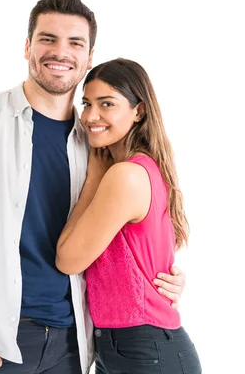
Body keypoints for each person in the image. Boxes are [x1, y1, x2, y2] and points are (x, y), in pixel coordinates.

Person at [0, 0, 187, 374]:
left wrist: (165, 278)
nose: (61, 52)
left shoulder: (97, 145)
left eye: (75, 42)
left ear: (88, 58)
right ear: (27, 46)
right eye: (48, 38)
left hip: (74, 345)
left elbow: (126, 236)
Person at [56, 58, 202, 373]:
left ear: (138, 110)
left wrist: (94, 180)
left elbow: (68, 260)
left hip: (144, 350)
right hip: (130, 347)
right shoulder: (146, 169)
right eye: (86, 103)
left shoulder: (126, 176)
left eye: (106, 104)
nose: (90, 116)